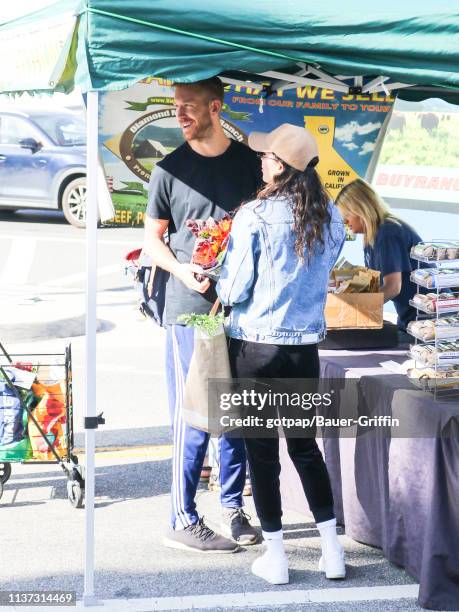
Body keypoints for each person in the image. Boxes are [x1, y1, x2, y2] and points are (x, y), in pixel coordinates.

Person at [216, 123, 346, 584]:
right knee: (306, 449)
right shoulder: (332, 217)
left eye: (267, 155)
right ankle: (332, 553)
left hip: (255, 346)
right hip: (304, 350)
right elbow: (324, 272)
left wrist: (211, 272)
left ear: (281, 165)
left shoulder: (255, 214)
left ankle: (277, 558)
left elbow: (234, 287)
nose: (261, 161)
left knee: (262, 454)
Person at [143, 77, 261, 553]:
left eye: (189, 106)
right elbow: (153, 241)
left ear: (216, 108)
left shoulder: (251, 164)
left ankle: (232, 505)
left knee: (233, 413)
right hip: (190, 310)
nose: (181, 115)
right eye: (176, 107)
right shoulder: (168, 170)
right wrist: (181, 269)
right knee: (193, 415)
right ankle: (181, 515)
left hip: (240, 308)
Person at [335, 178, 423, 332]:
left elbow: (393, 287)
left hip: (426, 320)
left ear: (360, 209)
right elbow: (373, 281)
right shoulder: (371, 237)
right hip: (409, 318)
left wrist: (354, 311)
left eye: (346, 214)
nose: (344, 221)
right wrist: (337, 284)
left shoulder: (388, 232)